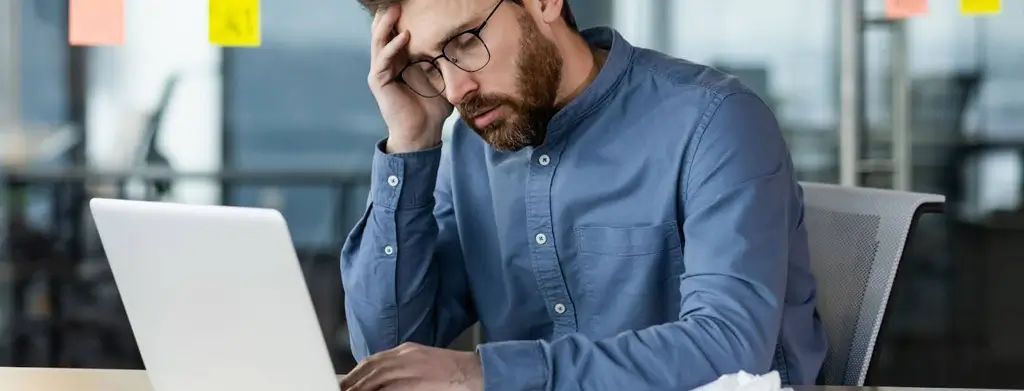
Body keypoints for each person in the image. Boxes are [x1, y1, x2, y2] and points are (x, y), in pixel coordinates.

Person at [339, 0, 828, 390]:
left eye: (465, 42)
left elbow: (729, 348)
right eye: (429, 67)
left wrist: (485, 374)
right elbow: (388, 348)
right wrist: (410, 141)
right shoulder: (471, 147)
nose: (454, 89)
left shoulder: (714, 122)